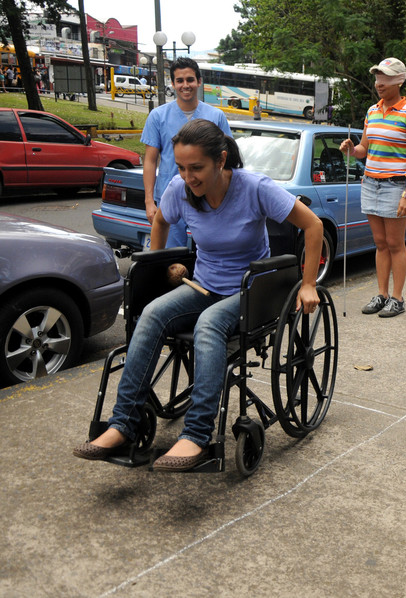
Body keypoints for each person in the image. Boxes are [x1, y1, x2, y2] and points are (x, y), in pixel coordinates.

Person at [73, 119, 324, 471]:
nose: (188, 177)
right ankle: (122, 425)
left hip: (249, 293)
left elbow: (312, 225)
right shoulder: (179, 188)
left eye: (197, 168)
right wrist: (160, 266)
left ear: (221, 161)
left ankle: (197, 435)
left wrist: (309, 283)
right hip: (203, 286)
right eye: (181, 167)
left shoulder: (255, 188)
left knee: (209, 325)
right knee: (152, 314)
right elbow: (160, 221)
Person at [340, 58, 406, 318]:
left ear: (399, 80)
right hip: (370, 183)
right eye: (377, 78)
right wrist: (352, 150)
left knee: (395, 243)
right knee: (380, 243)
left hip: (395, 185)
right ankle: (382, 294)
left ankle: (397, 298)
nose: (379, 84)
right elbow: (364, 149)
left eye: (385, 78)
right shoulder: (372, 111)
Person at [142, 57, 232, 249]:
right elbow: (150, 161)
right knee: (170, 258)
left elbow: (228, 159)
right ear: (173, 84)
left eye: (190, 80)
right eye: (180, 81)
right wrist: (149, 201)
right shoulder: (158, 116)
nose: (185, 85)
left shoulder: (216, 116)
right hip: (169, 196)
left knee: (211, 252)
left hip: (208, 197)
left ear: (199, 82)